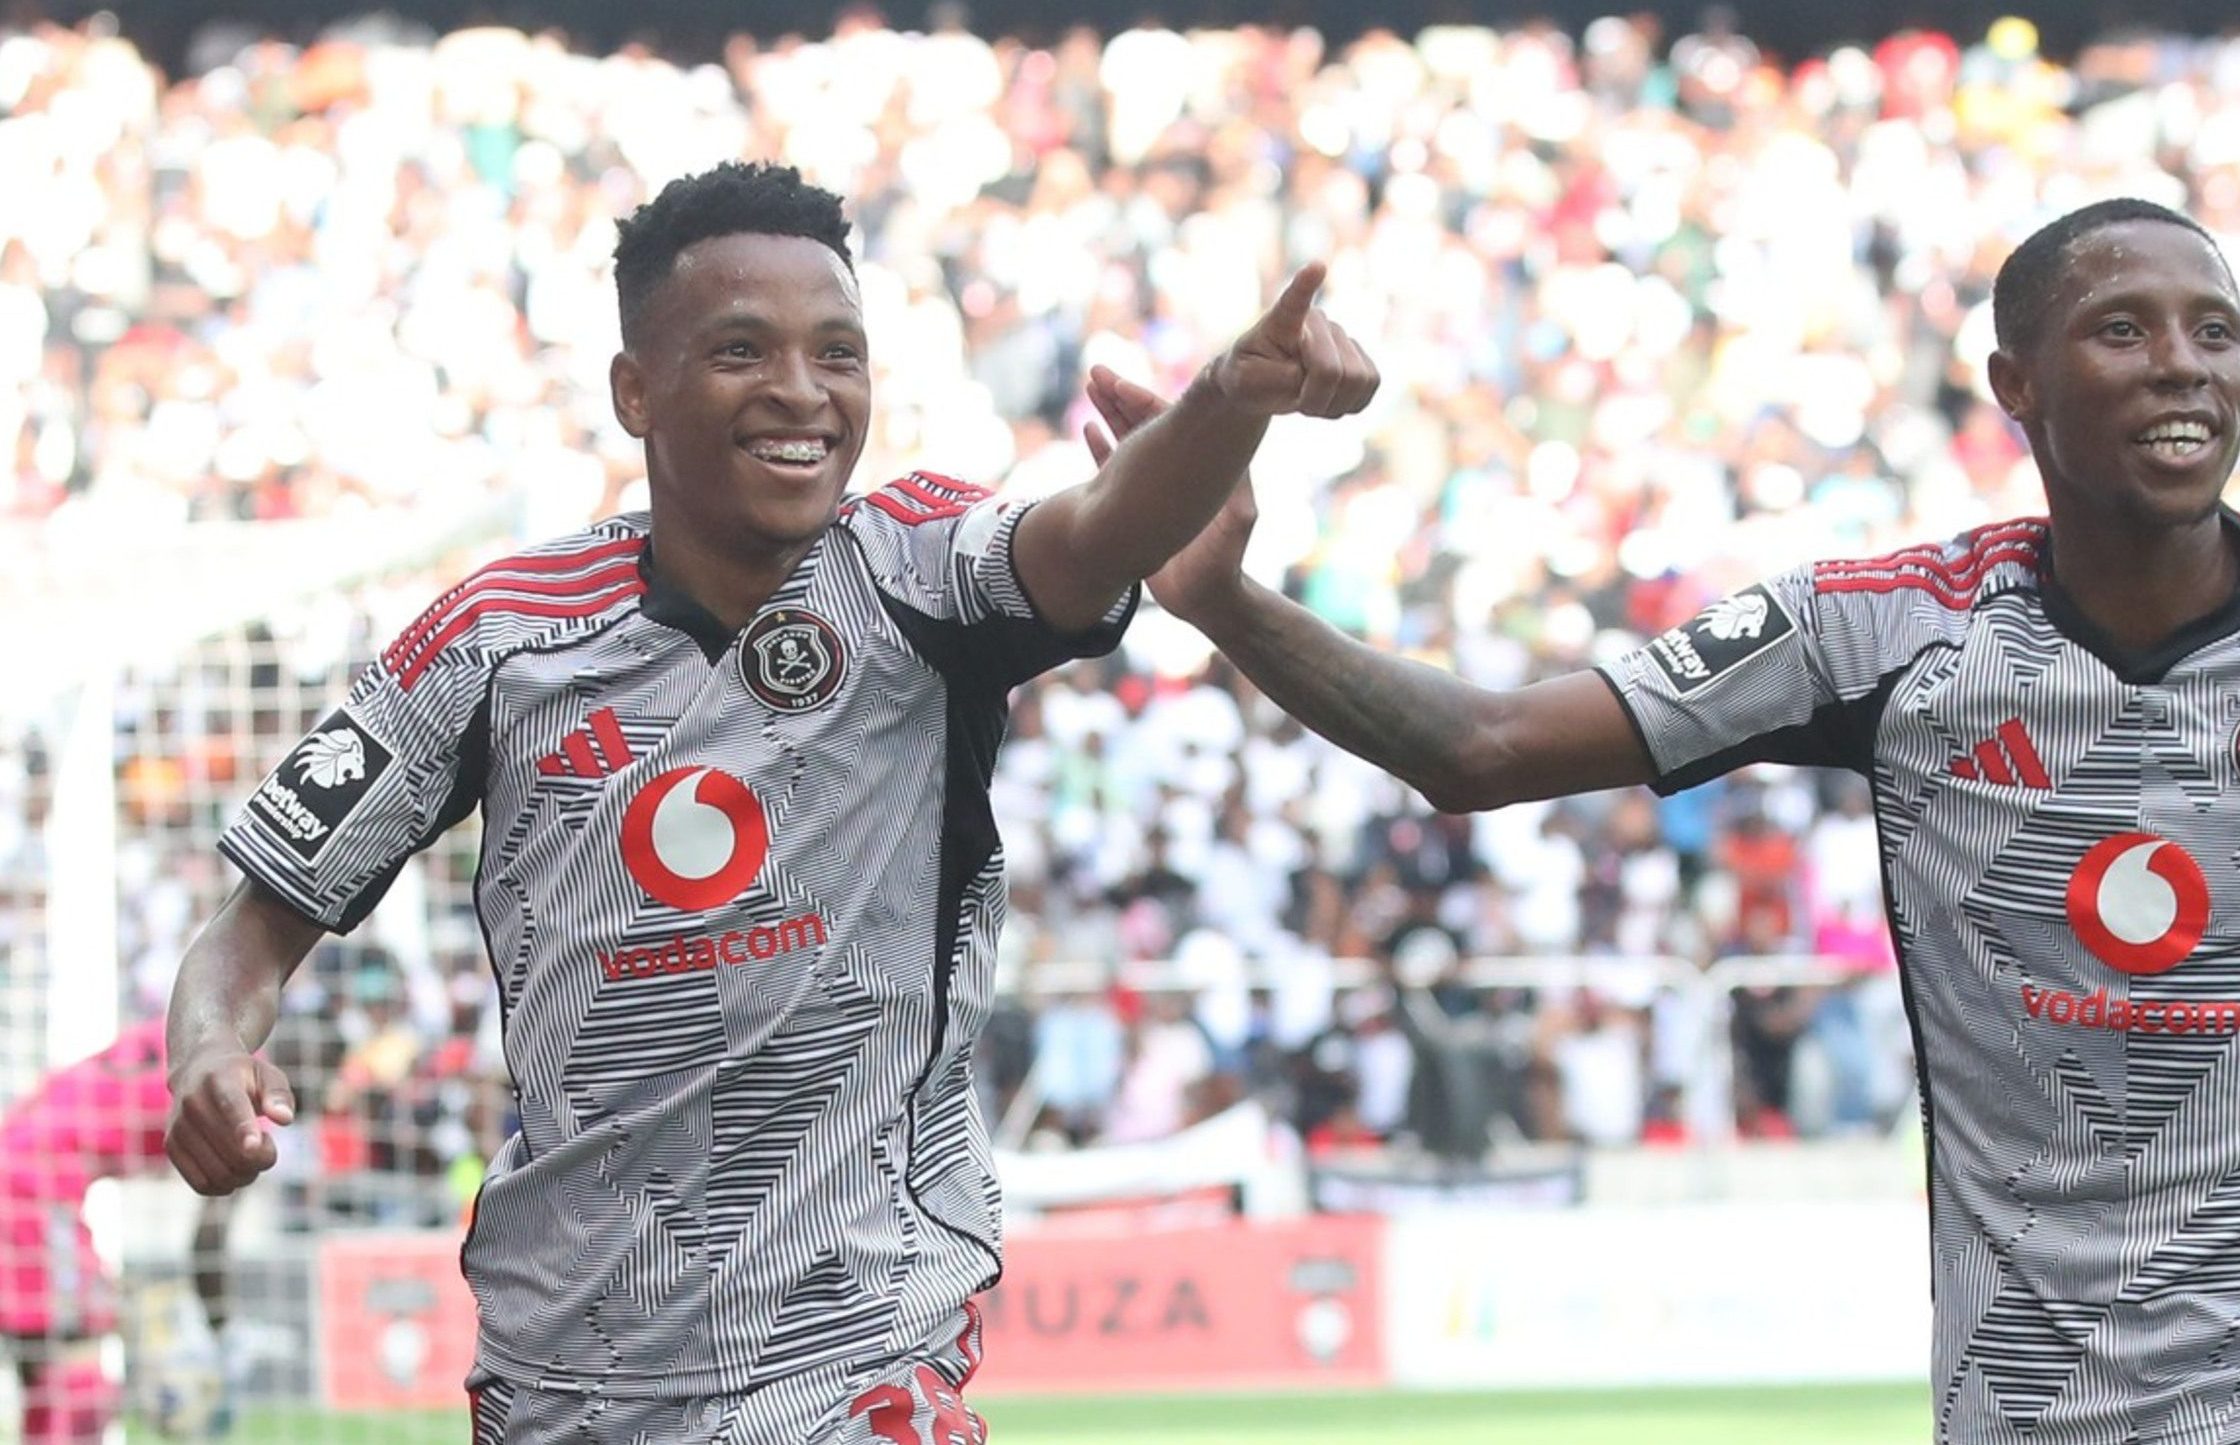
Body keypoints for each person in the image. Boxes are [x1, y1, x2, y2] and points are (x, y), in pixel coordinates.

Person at [161, 159, 1376, 1444]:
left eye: (837, 353)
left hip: (855, 1358)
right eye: (742, 350)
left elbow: (1102, 526)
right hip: (567, 1369)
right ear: (635, 389)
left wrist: (1230, 396)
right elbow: (252, 930)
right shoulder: (496, 638)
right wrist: (207, 1050)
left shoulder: (919, 570)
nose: (802, 391)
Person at [1096, 196, 2240, 1440]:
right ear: (2012, 384)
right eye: (2121, 328)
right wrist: (1223, 601)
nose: (2181, 362)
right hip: (2032, 1411)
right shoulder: (1886, 631)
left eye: (2214, 330)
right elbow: (1480, 746)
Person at [2, 1020, 231, 1443]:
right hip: (34, 1187)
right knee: (78, 1365)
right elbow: (209, 1241)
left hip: (19, 1155)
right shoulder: (242, 1090)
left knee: (46, 1360)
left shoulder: (189, 1022)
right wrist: (221, 1334)